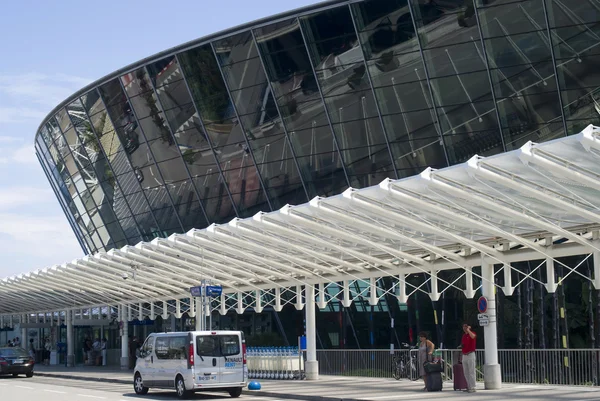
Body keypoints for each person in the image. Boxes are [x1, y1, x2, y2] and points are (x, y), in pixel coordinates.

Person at [460, 323, 477, 393]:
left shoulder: (472, 333)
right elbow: (463, 344)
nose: (464, 328)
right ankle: (468, 386)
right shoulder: (464, 336)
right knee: (466, 372)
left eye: (466, 326)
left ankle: (473, 387)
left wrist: (468, 330)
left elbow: (473, 337)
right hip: (464, 354)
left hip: (470, 354)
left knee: (471, 371)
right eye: (463, 327)